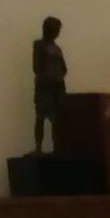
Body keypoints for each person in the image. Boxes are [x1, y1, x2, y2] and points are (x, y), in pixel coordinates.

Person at [32, 16, 66, 154]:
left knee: (57, 120)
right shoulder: (39, 45)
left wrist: (59, 77)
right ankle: (38, 147)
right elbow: (36, 66)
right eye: (56, 29)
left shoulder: (57, 48)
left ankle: (57, 147)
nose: (58, 32)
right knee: (40, 117)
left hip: (57, 88)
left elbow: (64, 67)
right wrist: (48, 77)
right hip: (44, 87)